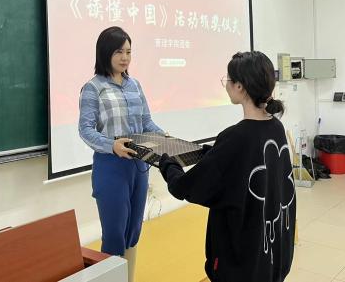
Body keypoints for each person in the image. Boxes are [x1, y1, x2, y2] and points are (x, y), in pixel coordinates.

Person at [159, 51, 296, 282]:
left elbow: (186, 187)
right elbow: (245, 164)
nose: (227, 85)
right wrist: (211, 152)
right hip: (269, 256)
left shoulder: (236, 137)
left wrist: (168, 165)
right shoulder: (275, 127)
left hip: (241, 261)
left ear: (240, 86)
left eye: (229, 80)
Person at [78, 26, 165, 282]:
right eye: (119, 52)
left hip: (139, 166)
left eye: (128, 52)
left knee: (133, 232)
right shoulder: (93, 88)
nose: (125, 57)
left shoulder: (134, 85)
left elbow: (146, 122)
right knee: (115, 234)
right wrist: (111, 145)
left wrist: (164, 137)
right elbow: (85, 130)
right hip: (110, 167)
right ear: (105, 52)